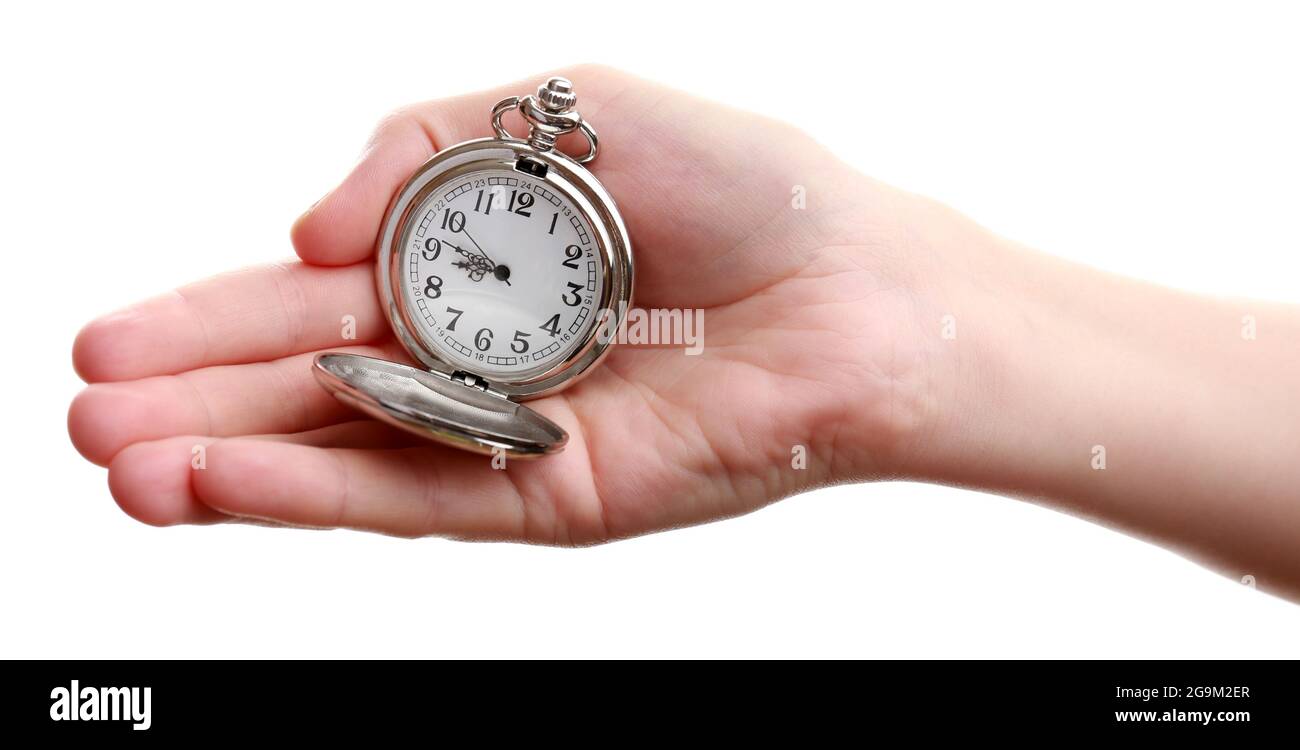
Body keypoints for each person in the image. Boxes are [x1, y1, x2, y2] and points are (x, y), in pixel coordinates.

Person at [67, 66, 1300, 599]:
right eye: (461, 253)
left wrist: (905, 316)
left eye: (504, 258)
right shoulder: (437, 234)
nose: (474, 259)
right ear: (427, 249)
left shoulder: (581, 251)